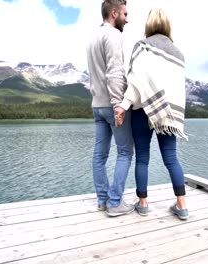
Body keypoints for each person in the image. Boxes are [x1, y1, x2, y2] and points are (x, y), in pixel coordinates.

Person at [115, 8, 189, 220]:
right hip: (167, 113)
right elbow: (178, 88)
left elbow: (137, 80)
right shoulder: (178, 54)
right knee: (171, 158)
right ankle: (182, 205)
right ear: (167, 25)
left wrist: (124, 104)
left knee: (143, 159)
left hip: (142, 110)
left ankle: (143, 203)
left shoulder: (142, 46)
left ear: (149, 25)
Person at [86, 0, 134, 217]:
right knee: (125, 152)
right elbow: (114, 72)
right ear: (114, 13)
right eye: (125, 13)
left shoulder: (92, 38)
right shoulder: (113, 35)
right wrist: (119, 105)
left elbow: (95, 74)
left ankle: (102, 200)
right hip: (111, 104)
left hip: (97, 106)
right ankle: (115, 203)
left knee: (99, 156)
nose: (127, 18)